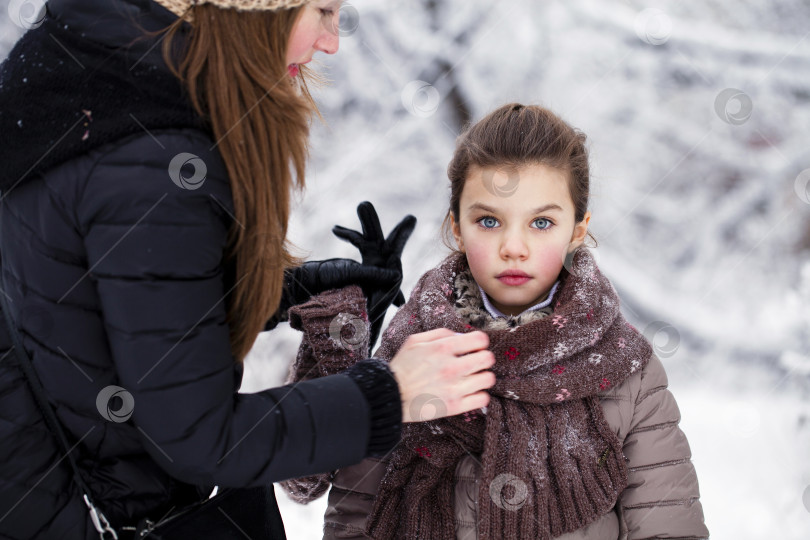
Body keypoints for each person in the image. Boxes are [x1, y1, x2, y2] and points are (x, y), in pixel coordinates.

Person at [0, 1, 496, 538]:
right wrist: (391, 394)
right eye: (323, 11)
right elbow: (201, 440)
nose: (331, 42)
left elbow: (89, 310)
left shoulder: (85, 76)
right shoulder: (151, 161)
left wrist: (281, 293)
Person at [282, 104, 711, 539]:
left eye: (541, 222)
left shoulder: (623, 368)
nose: (513, 246)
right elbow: (351, 515)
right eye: (489, 221)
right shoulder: (414, 352)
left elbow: (667, 526)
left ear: (578, 229)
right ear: (457, 227)